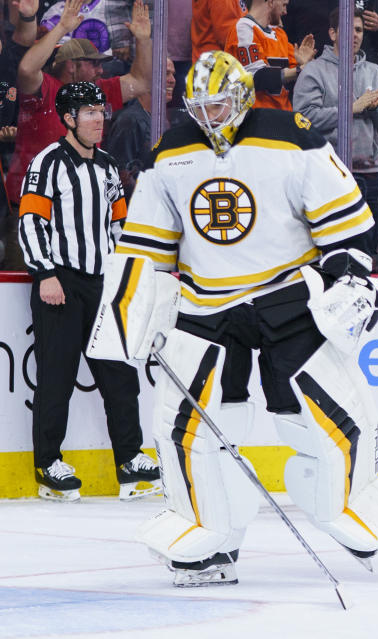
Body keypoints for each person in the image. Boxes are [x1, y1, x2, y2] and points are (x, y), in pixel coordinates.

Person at [91, 51, 378, 586]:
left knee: (328, 411)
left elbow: (345, 225)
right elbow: (144, 246)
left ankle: (352, 508)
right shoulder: (168, 154)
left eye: (218, 105)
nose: (209, 117)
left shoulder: (293, 137)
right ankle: (207, 531)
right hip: (205, 303)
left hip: (286, 295)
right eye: (199, 108)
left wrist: (350, 279)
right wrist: (128, 312)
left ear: (240, 97)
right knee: (184, 424)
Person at [17, 82, 161, 502]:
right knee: (56, 378)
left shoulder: (109, 167)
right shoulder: (47, 164)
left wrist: (128, 277)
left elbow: (121, 229)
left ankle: (130, 461)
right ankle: (48, 463)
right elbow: (30, 223)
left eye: (101, 112)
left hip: (102, 285)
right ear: (68, 119)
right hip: (60, 281)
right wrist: (44, 273)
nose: (100, 119)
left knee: (120, 376)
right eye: (90, 112)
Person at [7, 0, 153, 214]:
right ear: (71, 66)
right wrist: (62, 28)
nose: (101, 71)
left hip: (74, 204)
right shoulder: (45, 88)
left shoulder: (98, 90)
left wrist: (143, 40)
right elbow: (27, 69)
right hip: (32, 203)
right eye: (94, 64)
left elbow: (141, 82)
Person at [293, 7, 378, 249]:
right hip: (329, 173)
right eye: (349, 29)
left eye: (359, 30)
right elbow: (303, 119)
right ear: (333, 33)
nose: (355, 35)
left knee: (366, 249)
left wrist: (377, 109)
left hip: (371, 174)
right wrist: (351, 108)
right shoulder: (314, 71)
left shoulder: (375, 72)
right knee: (333, 248)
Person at [102, 58, 176, 196]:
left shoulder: (162, 119)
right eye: (166, 74)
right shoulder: (130, 121)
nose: (172, 80)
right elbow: (120, 173)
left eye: (172, 74)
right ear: (146, 79)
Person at [224, 0, 316, 110]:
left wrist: (304, 63)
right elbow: (255, 77)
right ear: (271, 2)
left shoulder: (279, 34)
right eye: (284, 5)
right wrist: (299, 70)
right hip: (255, 115)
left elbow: (296, 75)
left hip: (283, 113)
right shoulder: (244, 28)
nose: (285, 12)